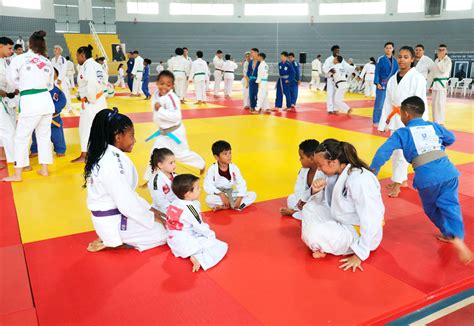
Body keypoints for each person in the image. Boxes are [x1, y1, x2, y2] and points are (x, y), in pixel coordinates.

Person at [370, 96, 472, 264]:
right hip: (448, 171)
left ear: (406, 115)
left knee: (432, 208)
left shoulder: (402, 132)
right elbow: (451, 138)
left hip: (428, 177)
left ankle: (449, 233)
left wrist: (372, 172)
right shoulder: (433, 126)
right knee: (451, 205)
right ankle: (457, 236)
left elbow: (383, 153)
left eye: (401, 114)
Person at [84, 108, 168, 253]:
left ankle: (114, 238)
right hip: (114, 222)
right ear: (118, 137)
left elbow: (127, 194)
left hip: (109, 219)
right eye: (131, 136)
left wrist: (151, 210)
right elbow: (126, 204)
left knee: (161, 215)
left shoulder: (105, 154)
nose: (134, 141)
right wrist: (150, 218)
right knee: (164, 233)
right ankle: (117, 241)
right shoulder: (112, 163)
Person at [301, 139, 384, 272]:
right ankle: (323, 244)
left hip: (356, 231)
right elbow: (317, 202)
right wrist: (315, 190)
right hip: (339, 220)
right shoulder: (333, 173)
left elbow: (371, 217)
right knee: (309, 208)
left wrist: (360, 254)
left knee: (313, 233)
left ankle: (326, 244)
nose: (319, 169)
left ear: (333, 162)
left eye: (320, 165)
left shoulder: (360, 180)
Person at [2, 31, 55, 182]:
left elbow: (11, 81)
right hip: (46, 100)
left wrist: (23, 85)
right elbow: (50, 85)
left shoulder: (20, 59)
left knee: (21, 137)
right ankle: (44, 169)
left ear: (29, 44)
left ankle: (18, 174)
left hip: (30, 101)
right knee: (44, 136)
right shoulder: (47, 62)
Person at [378, 46, 428, 198]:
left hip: (410, 118)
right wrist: (383, 123)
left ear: (412, 59)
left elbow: (421, 100)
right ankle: (402, 180)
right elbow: (387, 102)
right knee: (395, 151)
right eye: (400, 56)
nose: (402, 59)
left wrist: (420, 123)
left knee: (400, 152)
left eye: (406, 57)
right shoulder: (393, 78)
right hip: (395, 117)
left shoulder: (417, 78)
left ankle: (397, 184)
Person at [144, 70, 205, 181]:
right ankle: (150, 178)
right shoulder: (156, 95)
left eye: (168, 84)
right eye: (162, 83)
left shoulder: (172, 98)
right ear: (157, 83)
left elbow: (176, 116)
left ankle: (200, 163)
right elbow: (156, 113)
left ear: (172, 86)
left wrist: (160, 109)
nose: (164, 87)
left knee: (181, 155)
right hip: (163, 133)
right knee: (155, 154)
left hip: (175, 132)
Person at [167, 174, 228, 272]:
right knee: (221, 246)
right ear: (188, 194)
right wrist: (212, 235)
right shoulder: (190, 208)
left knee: (200, 237)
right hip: (186, 242)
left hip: (173, 243)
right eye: (197, 188)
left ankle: (193, 252)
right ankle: (199, 258)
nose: (200, 189)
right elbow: (200, 227)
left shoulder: (173, 204)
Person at [71, 44, 107, 163]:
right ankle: (99, 151)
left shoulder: (88, 66)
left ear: (82, 55)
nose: (76, 58)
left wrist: (89, 99)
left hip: (92, 102)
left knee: (85, 128)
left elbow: (91, 83)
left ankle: (84, 154)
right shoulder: (96, 65)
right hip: (99, 99)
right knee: (98, 127)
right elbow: (103, 81)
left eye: (77, 56)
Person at [203, 140, 256, 211]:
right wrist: (221, 194)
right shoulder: (212, 169)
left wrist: (239, 197)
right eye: (225, 154)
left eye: (230, 153)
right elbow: (208, 185)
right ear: (216, 157)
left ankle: (233, 206)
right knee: (208, 199)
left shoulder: (234, 168)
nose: (229, 156)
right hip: (219, 194)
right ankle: (232, 205)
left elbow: (241, 183)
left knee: (252, 195)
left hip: (231, 194)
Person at [280, 139, 320, 220]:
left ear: (311, 159)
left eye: (301, 157)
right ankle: (300, 212)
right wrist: (301, 201)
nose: (300, 160)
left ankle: (295, 212)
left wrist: (306, 202)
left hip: (318, 204)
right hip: (305, 203)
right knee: (291, 198)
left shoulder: (323, 171)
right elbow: (298, 189)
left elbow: (322, 197)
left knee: (315, 210)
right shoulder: (303, 170)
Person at [30, 68, 67, 157]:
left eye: (53, 74)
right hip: (40, 118)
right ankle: (35, 150)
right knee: (36, 135)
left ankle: (60, 149)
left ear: (56, 77)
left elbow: (63, 101)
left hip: (54, 119)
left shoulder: (57, 91)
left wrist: (52, 109)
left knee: (57, 137)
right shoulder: (38, 89)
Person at [0, 37, 16, 168]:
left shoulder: (5, 61)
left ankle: (3, 154)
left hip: (6, 98)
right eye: (9, 48)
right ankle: (16, 160)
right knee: (8, 130)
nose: (11, 51)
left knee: (6, 128)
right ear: (1, 46)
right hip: (2, 97)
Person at [373, 42, 398, 126]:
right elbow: (377, 72)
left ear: (393, 49)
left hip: (391, 85)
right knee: (379, 103)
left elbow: (396, 73)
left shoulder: (395, 61)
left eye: (390, 48)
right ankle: (376, 121)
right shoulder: (381, 59)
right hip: (382, 84)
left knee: (390, 103)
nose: (388, 49)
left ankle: (387, 120)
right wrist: (377, 83)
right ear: (384, 49)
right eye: (387, 48)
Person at [147, 147, 178, 216]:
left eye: (174, 162)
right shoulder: (155, 181)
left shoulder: (176, 176)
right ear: (160, 165)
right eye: (171, 163)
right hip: (162, 210)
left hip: (176, 206)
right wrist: (173, 210)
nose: (174, 165)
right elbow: (159, 201)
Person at [428, 44, 452, 125]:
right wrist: (429, 85)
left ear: (446, 51)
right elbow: (433, 73)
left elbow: (443, 70)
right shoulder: (436, 60)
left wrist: (441, 59)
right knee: (434, 104)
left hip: (442, 85)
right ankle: (435, 121)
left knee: (440, 104)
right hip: (435, 84)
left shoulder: (447, 60)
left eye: (443, 50)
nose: (441, 51)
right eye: (440, 50)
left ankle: (440, 122)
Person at [51, 45, 72, 112]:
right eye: (54, 49)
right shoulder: (52, 60)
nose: (54, 50)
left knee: (65, 93)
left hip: (61, 80)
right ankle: (56, 107)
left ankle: (69, 108)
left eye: (56, 49)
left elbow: (64, 69)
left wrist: (60, 79)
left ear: (60, 51)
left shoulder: (63, 59)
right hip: (54, 80)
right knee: (55, 94)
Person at [246, 48, 260, 113]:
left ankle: (258, 107)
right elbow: (248, 70)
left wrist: (260, 80)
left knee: (258, 94)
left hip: (258, 81)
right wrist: (248, 77)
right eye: (251, 52)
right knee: (251, 94)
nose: (251, 54)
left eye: (252, 52)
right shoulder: (251, 61)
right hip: (251, 80)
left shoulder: (260, 61)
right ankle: (252, 106)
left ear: (257, 53)